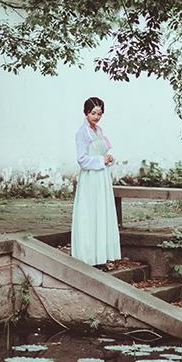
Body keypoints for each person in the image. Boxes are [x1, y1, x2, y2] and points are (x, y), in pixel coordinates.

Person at [70, 96, 121, 267]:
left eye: (99, 113)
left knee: (102, 212)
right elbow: (82, 160)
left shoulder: (99, 131)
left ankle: (101, 255)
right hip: (90, 178)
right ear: (86, 113)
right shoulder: (82, 133)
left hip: (102, 178)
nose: (96, 117)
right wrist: (101, 161)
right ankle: (88, 255)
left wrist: (108, 158)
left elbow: (101, 151)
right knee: (90, 214)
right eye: (93, 113)